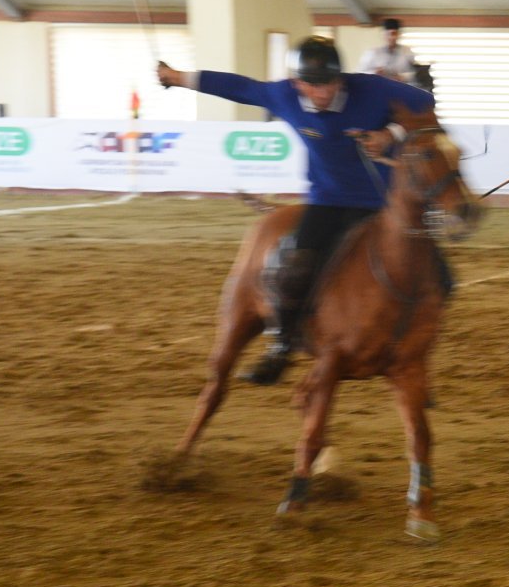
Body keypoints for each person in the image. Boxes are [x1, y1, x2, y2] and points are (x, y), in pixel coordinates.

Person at [157, 36, 437, 385]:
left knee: (437, 274)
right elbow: (238, 87)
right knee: (297, 269)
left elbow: (426, 102)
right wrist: (178, 77)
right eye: (311, 85)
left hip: (382, 203)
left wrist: (390, 133)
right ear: (296, 82)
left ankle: (414, 355)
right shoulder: (283, 95)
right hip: (326, 201)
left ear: (341, 78)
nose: (321, 93)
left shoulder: (373, 90)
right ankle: (282, 346)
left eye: (329, 84)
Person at [358, 18, 417, 83]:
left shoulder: (407, 52)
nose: (391, 37)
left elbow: (415, 73)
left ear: (398, 34)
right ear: (383, 34)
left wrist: (402, 77)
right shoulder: (372, 53)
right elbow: (360, 73)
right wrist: (374, 72)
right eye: (388, 34)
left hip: (399, 88)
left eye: (394, 34)